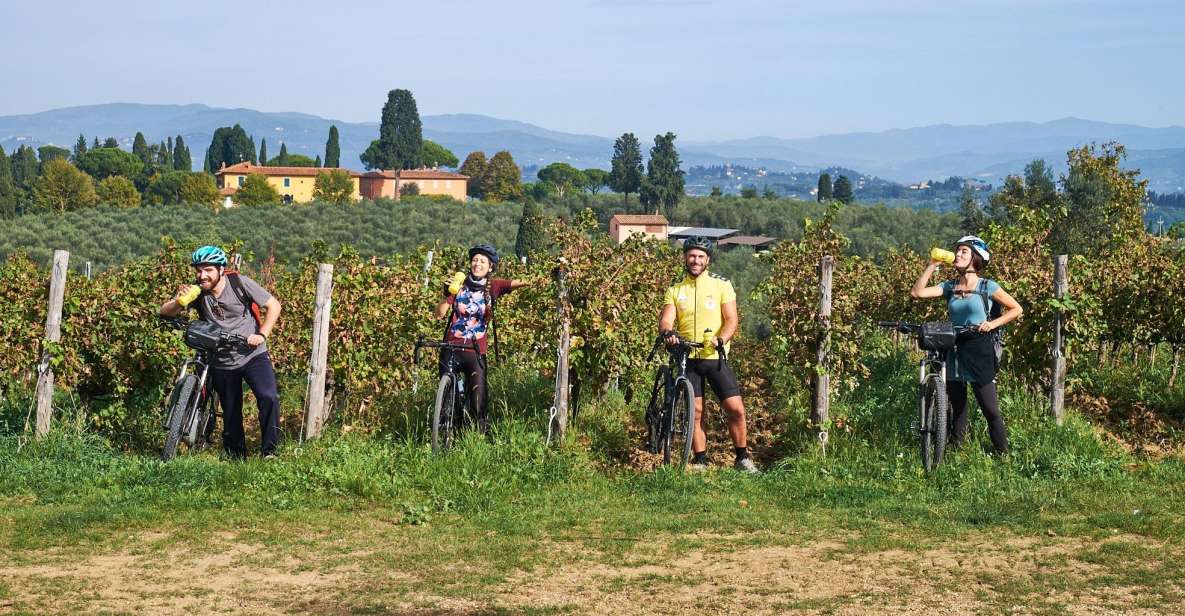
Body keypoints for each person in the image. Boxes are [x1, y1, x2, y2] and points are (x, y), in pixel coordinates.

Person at [159, 245, 283, 459]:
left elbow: (274, 305)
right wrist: (179, 302)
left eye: (208, 270)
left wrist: (261, 335)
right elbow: (164, 312)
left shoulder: (239, 283)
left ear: (220, 270)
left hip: (253, 353)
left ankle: (270, 451)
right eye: (198, 270)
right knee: (230, 410)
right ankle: (236, 456)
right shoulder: (198, 292)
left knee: (268, 397)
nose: (202, 275)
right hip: (221, 358)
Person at [910, 235, 1022, 454]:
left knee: (989, 408)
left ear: (976, 258)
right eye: (958, 250)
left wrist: (992, 324)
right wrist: (932, 266)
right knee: (958, 406)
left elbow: (1016, 309)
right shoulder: (950, 286)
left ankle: (1003, 453)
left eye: (964, 251)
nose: (958, 254)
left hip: (979, 348)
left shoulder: (987, 286)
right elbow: (917, 293)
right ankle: (956, 449)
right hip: (953, 348)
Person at [658, 236, 757, 473]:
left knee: (736, 408)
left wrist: (721, 338)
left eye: (701, 256)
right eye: (692, 255)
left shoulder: (722, 285)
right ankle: (700, 460)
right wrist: (668, 332)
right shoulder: (675, 289)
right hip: (687, 358)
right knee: (696, 411)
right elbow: (666, 319)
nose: (696, 260)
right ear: (685, 257)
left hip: (714, 356)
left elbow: (732, 320)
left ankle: (742, 458)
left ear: (708, 260)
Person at [434, 244, 533, 434]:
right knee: (447, 398)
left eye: (482, 261)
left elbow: (521, 282)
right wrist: (447, 296)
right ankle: (445, 433)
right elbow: (439, 314)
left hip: (475, 352)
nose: (477, 264)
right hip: (451, 347)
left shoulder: (493, 286)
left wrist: (542, 279)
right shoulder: (459, 284)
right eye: (474, 260)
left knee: (478, 402)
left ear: (490, 266)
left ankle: (478, 439)